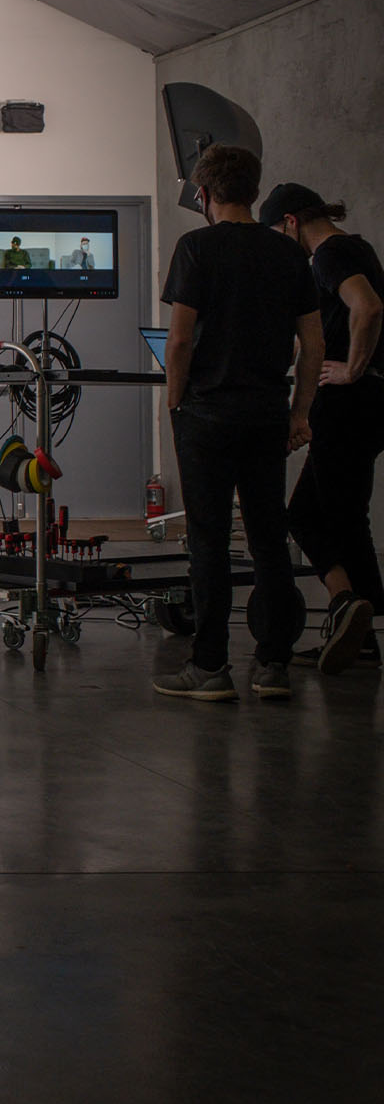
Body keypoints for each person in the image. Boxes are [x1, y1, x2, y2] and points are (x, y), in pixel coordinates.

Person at [157, 147, 322, 701]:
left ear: (203, 194)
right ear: (253, 190)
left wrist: (175, 402)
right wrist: (298, 413)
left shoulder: (196, 247)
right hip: (265, 412)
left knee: (208, 541)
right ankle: (272, 665)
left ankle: (210, 669)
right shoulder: (288, 254)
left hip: (206, 412)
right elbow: (314, 347)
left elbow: (180, 338)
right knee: (268, 537)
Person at [267, 182, 384, 673]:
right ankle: (359, 630)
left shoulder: (329, 253)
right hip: (366, 406)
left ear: (292, 222)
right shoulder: (355, 246)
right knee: (333, 514)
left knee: (317, 517)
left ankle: (349, 610)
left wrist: (353, 368)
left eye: (278, 233)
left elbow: (369, 307)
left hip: (348, 403)